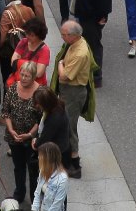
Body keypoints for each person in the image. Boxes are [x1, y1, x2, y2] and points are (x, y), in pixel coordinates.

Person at [49, 20, 94, 179]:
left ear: (73, 35)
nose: (61, 37)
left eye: (63, 34)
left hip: (73, 93)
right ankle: (69, 160)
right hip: (69, 92)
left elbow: (64, 76)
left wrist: (60, 63)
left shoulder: (80, 53)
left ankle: (73, 165)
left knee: (69, 127)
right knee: (66, 125)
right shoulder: (75, 43)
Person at [3, 66, 45, 206]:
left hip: (32, 140)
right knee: (18, 167)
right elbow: (6, 112)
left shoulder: (40, 92)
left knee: (34, 170)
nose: (23, 78)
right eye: (22, 74)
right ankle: (19, 193)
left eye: (27, 76)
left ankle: (35, 198)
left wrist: (30, 134)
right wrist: (11, 129)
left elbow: (41, 118)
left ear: (34, 77)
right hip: (14, 137)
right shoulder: (13, 88)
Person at [33, 143, 68, 211]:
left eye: (41, 155)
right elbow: (37, 194)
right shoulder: (42, 171)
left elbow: (57, 205)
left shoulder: (63, 179)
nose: (38, 157)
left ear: (48, 159)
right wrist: (34, 209)